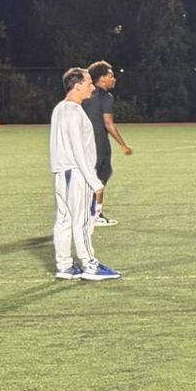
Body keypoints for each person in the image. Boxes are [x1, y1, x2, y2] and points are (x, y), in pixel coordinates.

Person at [50, 67, 118, 281]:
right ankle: (89, 265)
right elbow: (78, 149)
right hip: (76, 174)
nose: (92, 87)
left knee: (64, 220)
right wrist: (93, 180)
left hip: (64, 173)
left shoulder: (61, 109)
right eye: (88, 83)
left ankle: (65, 266)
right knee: (82, 221)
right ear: (77, 86)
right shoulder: (72, 112)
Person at [83, 61, 133, 225]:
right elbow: (108, 123)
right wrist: (123, 144)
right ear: (102, 78)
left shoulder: (84, 94)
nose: (114, 79)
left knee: (87, 177)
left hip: (83, 141)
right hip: (99, 142)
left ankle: (83, 213)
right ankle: (95, 215)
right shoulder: (106, 97)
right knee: (101, 175)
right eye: (111, 76)